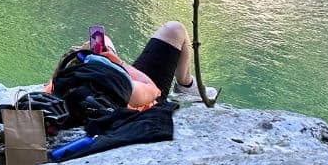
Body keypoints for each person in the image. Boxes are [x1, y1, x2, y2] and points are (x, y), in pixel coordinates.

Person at [51, 21, 217, 110]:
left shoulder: (62, 84)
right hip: (143, 89)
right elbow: (154, 90)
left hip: (119, 78)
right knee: (176, 29)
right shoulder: (126, 90)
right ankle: (185, 84)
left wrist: (104, 56)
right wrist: (119, 63)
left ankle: (100, 51)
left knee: (103, 40)